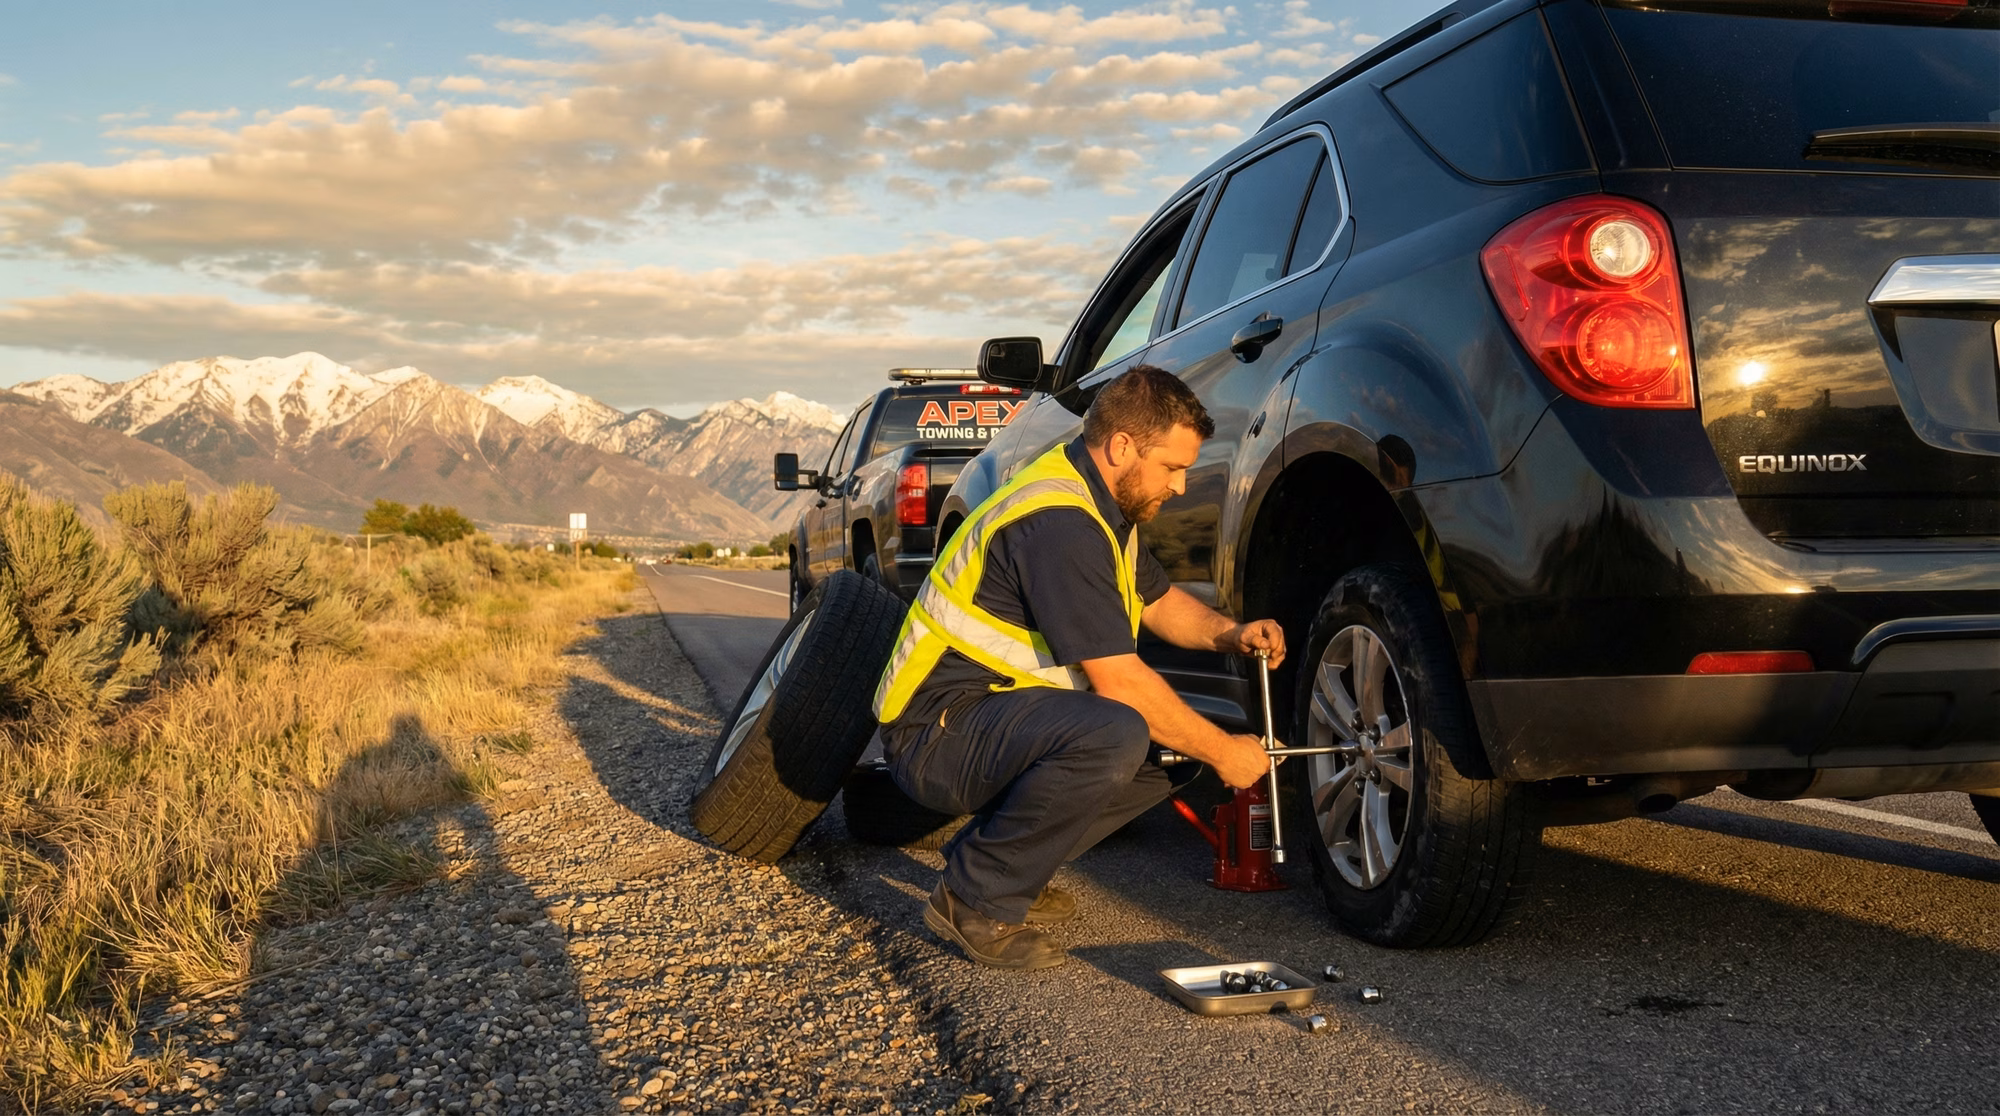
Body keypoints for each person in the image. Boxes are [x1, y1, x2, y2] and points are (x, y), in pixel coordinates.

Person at [872, 365, 1286, 970]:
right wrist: (1225, 751)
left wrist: (1232, 634)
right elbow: (1119, 683)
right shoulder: (1059, 522)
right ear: (1122, 447)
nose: (1179, 485)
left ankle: (1001, 857)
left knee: (1163, 758)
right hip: (935, 731)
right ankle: (973, 897)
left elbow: (1159, 601)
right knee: (1119, 730)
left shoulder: (1105, 508)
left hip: (989, 716)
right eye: (1172, 467)